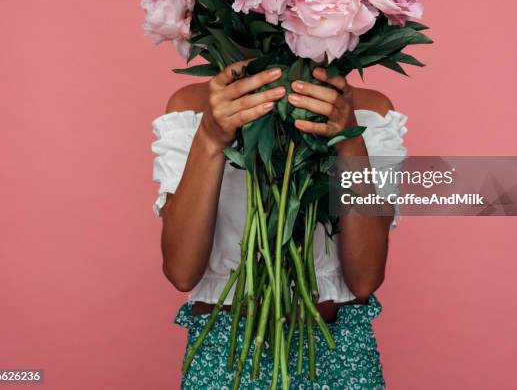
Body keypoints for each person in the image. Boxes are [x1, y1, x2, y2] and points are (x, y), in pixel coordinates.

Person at [151, 60, 408, 388]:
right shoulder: (196, 108)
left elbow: (365, 278)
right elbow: (181, 272)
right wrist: (211, 139)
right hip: (226, 357)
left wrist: (349, 141)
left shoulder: (368, 111)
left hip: (339, 354)